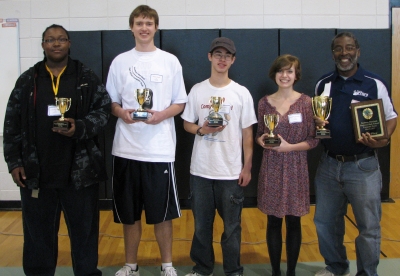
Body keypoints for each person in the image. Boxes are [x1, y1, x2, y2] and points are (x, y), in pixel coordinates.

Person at [3, 24, 111, 275]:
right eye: (50, 40)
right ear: (43, 45)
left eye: (61, 39)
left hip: (80, 175)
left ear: (69, 43)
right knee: (38, 236)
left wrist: (81, 126)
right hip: (36, 173)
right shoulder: (28, 80)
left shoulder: (86, 77)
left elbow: (104, 111)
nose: (56, 43)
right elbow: (11, 123)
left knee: (84, 234)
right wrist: (14, 162)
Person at [106, 5, 187, 276]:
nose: (144, 28)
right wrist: (122, 114)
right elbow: (112, 102)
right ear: (131, 27)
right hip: (126, 148)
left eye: (149, 23)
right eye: (139, 23)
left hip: (159, 151)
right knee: (129, 214)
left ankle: (167, 265)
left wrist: (161, 115)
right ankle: (131, 265)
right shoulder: (120, 62)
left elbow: (180, 102)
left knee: (162, 214)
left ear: (156, 27)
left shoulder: (169, 61)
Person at [313, 32, 397, 276]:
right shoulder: (323, 83)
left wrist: (384, 138)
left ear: (358, 51)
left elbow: (391, 117)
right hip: (329, 166)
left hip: (363, 167)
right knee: (325, 223)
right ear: (333, 54)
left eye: (349, 48)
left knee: (368, 227)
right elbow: (321, 119)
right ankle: (336, 268)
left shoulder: (374, 82)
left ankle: (367, 273)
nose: (344, 53)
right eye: (338, 49)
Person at [181, 37, 257, 276]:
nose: (222, 59)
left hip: (230, 172)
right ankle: (202, 269)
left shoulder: (241, 93)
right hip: (201, 171)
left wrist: (247, 168)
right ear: (209, 57)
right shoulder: (198, 90)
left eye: (227, 55)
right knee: (202, 226)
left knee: (232, 227)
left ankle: (233, 270)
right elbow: (186, 124)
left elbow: (247, 134)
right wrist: (202, 129)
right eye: (218, 54)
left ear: (233, 60)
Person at [255, 54, 319, 276]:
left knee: (294, 222)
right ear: (275, 74)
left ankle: (291, 271)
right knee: (273, 221)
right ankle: (275, 271)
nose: (285, 75)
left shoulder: (307, 103)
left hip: (296, 168)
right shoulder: (264, 102)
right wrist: (262, 140)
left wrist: (289, 147)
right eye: (281, 71)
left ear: (296, 75)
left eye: (289, 71)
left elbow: (314, 139)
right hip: (271, 168)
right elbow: (260, 135)